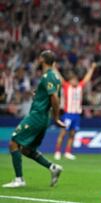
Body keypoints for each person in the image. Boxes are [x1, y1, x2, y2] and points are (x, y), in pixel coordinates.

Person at [2, 50, 65, 188]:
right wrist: (38, 94)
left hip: (37, 115)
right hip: (42, 117)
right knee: (26, 149)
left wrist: (56, 117)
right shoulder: (53, 77)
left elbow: (54, 97)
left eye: (39, 58)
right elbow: (49, 96)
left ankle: (19, 179)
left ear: (42, 59)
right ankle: (53, 167)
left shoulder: (48, 76)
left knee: (13, 141)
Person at [54, 62, 97, 160]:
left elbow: (87, 78)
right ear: (70, 81)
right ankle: (57, 152)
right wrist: (54, 68)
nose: (75, 82)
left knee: (72, 134)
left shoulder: (80, 87)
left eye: (76, 80)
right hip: (68, 114)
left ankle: (68, 152)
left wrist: (92, 68)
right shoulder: (66, 86)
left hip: (77, 115)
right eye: (73, 80)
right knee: (63, 133)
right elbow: (59, 77)